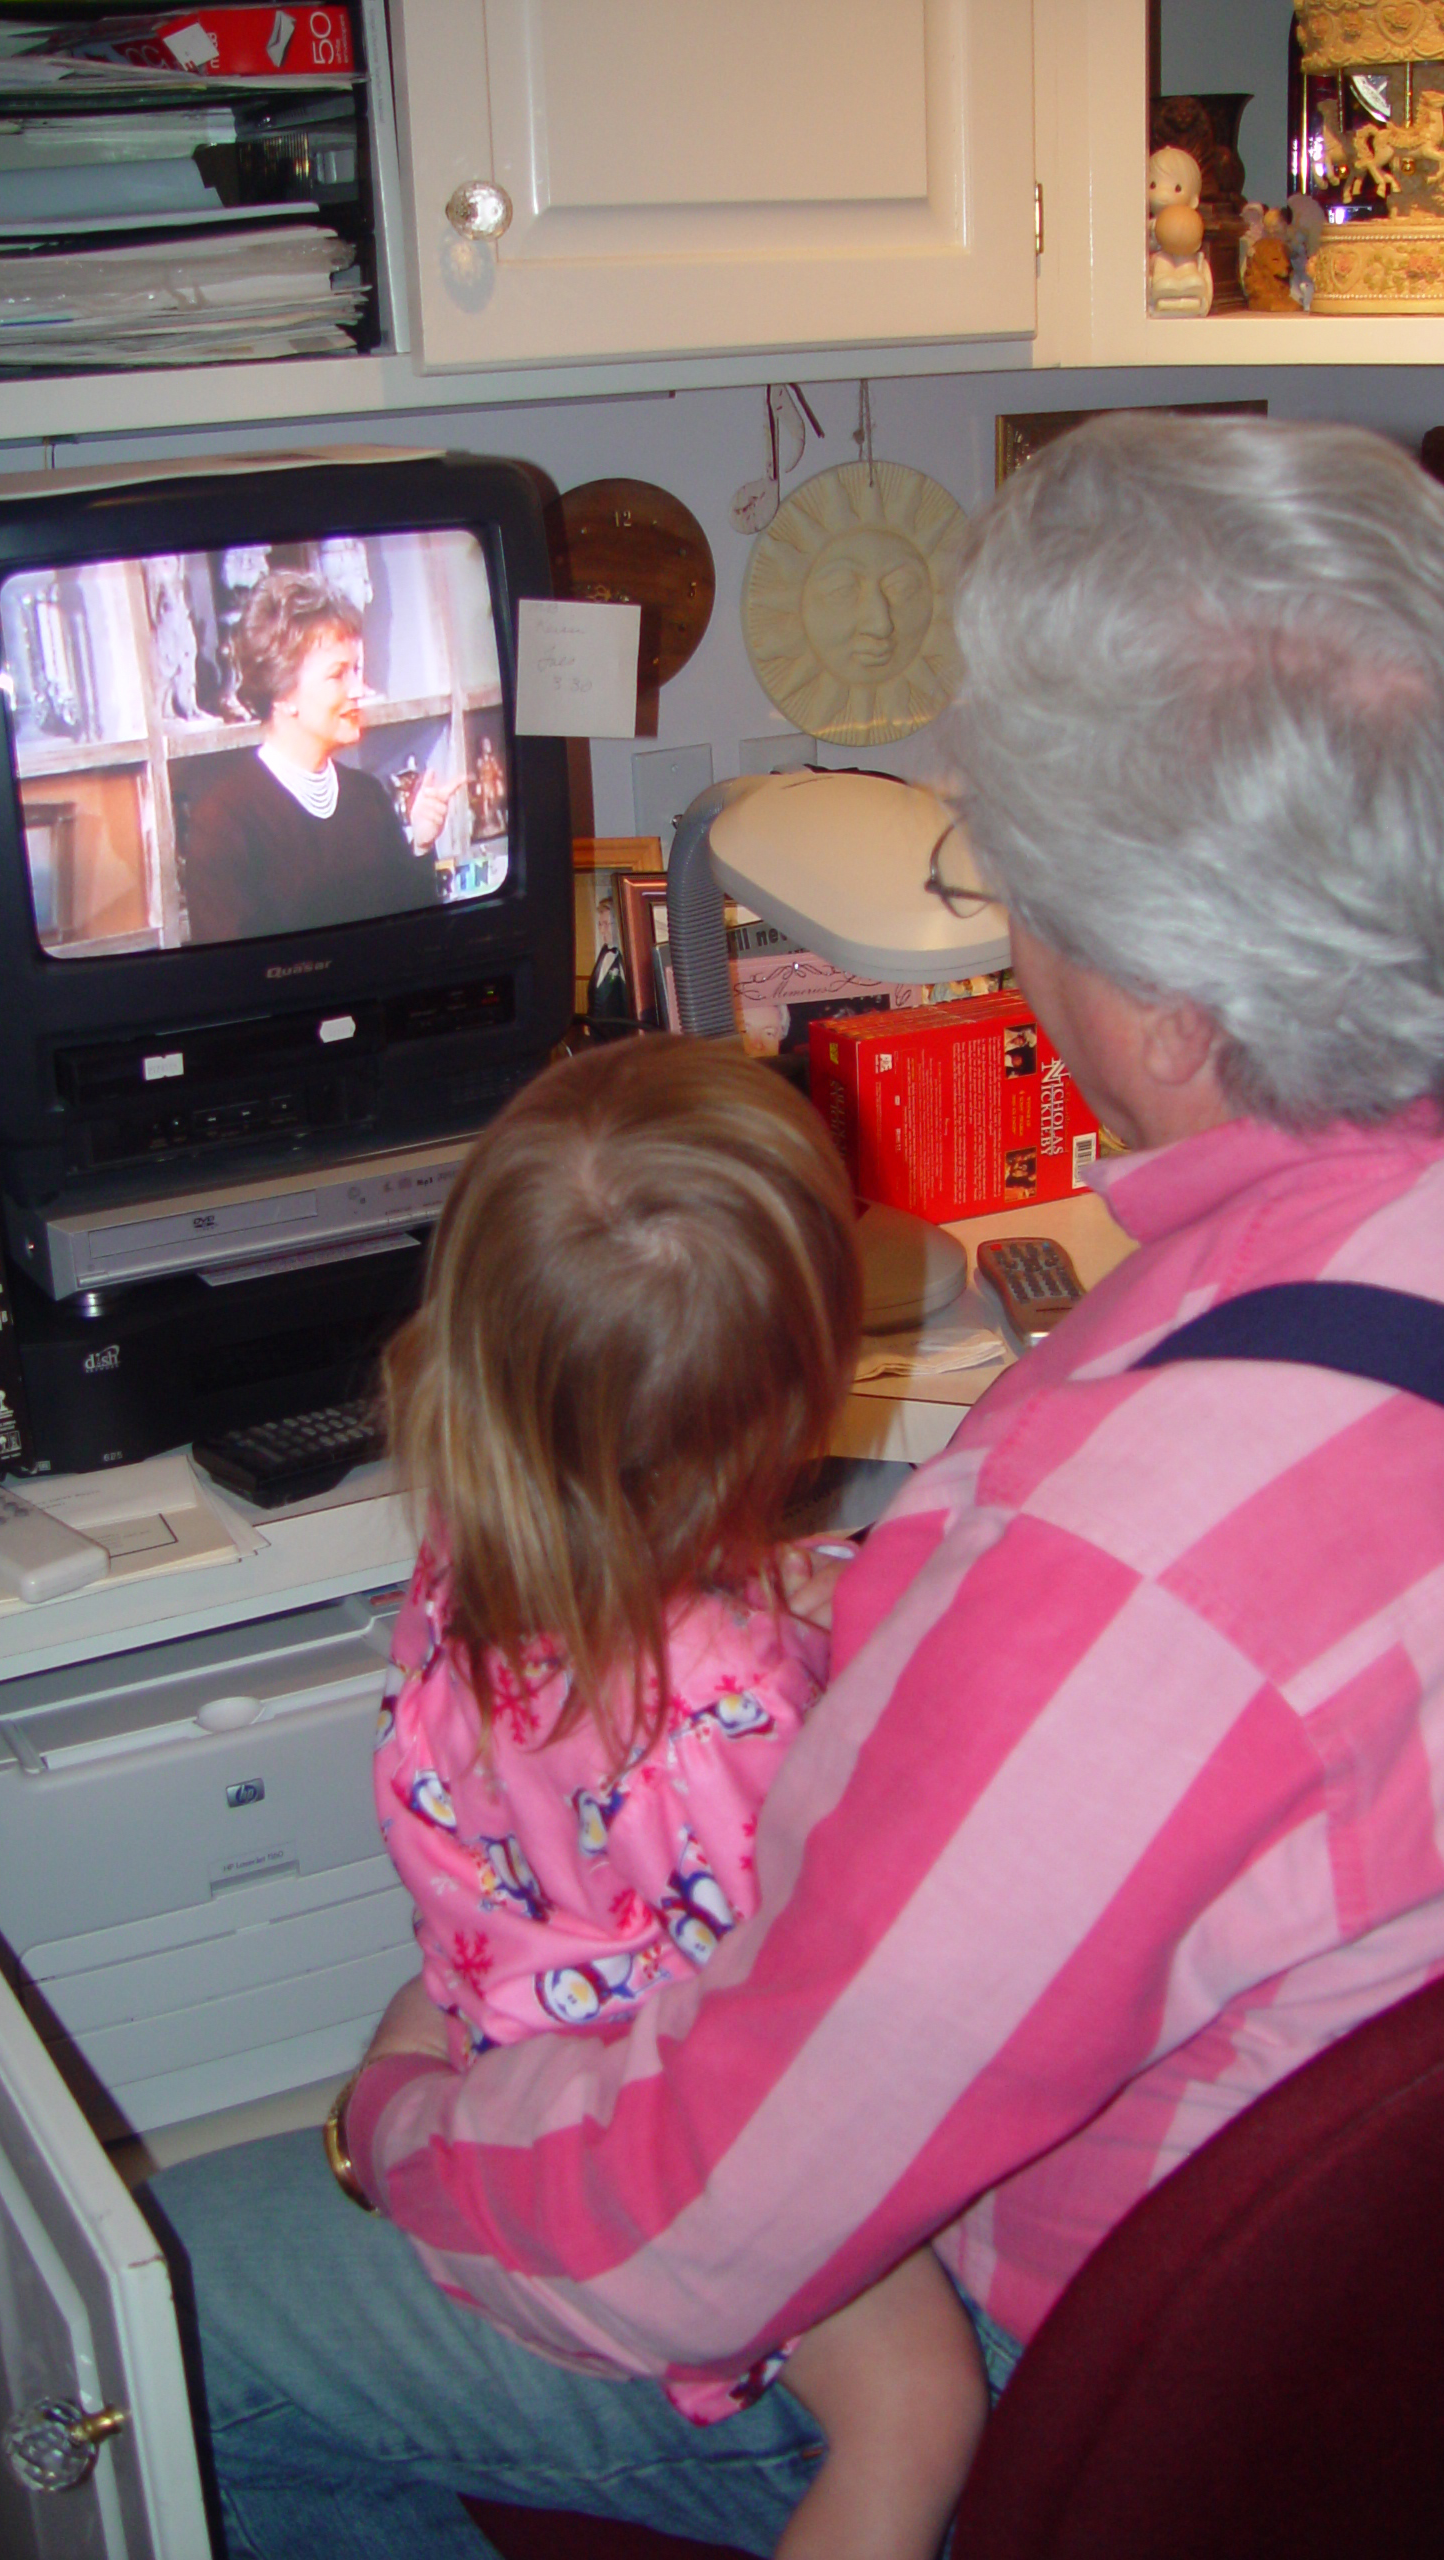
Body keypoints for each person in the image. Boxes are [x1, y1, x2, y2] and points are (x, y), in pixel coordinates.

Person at [151, 413, 1444, 2557]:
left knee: (139, 2312)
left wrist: (395, 2120)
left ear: (1163, 1005)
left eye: (1006, 882)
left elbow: (694, 2230)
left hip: (1068, 2367)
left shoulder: (1119, 1556)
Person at [363, 1035, 986, 2559]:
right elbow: (799, 1973)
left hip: (498, 2023)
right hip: (652, 2136)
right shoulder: (728, 1708)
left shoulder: (475, 1532)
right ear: (787, 1407)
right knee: (921, 2416)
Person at [181, 568, 458, 942]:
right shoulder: (222, 820)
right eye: (338, 674)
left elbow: (412, 940)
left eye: (357, 669)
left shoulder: (367, 796)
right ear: (283, 694)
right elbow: (233, 977)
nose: (359, 688)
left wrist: (422, 843)